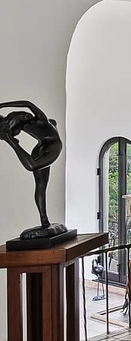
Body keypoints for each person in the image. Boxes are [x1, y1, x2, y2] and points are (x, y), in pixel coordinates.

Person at [0, 100, 68, 238]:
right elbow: (5, 122)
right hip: (40, 148)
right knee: (40, 186)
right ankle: (44, 220)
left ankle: (11, 143)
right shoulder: (22, 123)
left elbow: (28, 103)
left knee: (32, 167)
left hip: (52, 148)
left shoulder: (41, 120)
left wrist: (2, 105)